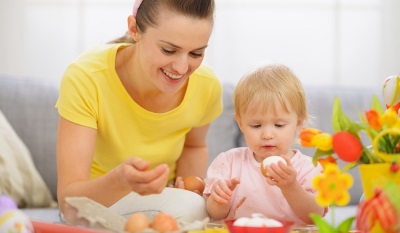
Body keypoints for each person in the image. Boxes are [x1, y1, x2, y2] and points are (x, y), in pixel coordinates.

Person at [56, 0, 222, 219]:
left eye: (196, 54)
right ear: (134, 29)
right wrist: (120, 182)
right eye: (168, 50)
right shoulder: (86, 78)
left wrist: (188, 186)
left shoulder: (206, 85)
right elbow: (69, 204)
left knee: (199, 207)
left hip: (167, 201)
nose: (182, 68)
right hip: (98, 205)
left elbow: (193, 145)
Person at [204, 64, 326, 225]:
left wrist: (291, 186)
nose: (267, 135)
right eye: (256, 126)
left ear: (298, 123)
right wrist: (219, 201)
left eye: (279, 125)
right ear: (240, 123)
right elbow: (214, 214)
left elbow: (314, 216)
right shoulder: (227, 162)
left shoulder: (309, 168)